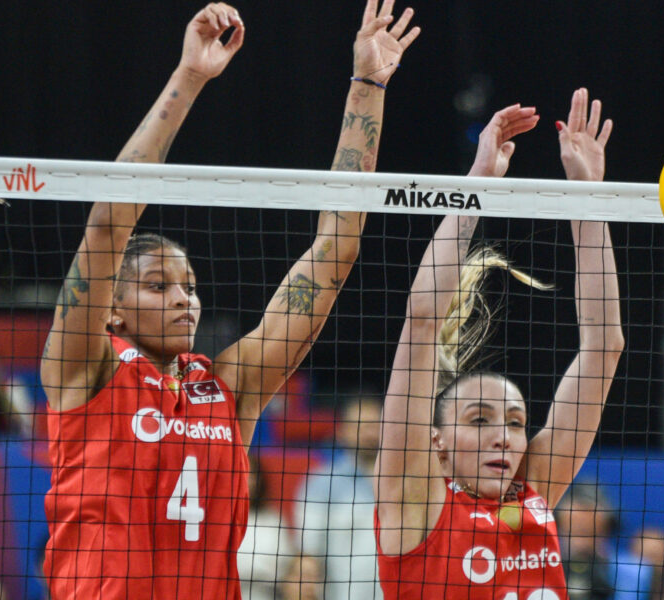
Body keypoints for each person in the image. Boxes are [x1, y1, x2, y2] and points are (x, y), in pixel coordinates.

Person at [39, 2, 419, 599]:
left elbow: (334, 253)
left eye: (190, 287)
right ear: (112, 308)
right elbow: (108, 221)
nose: (183, 301)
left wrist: (367, 87)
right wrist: (190, 76)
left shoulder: (227, 388)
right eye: (158, 286)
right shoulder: (82, 369)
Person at [374, 89, 624, 599]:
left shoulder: (531, 492)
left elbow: (604, 346)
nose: (504, 437)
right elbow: (422, 321)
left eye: (514, 422)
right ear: (437, 443)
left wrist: (588, 196)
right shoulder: (413, 501)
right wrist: (478, 185)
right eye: (479, 420)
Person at [295, 392, 384, 600]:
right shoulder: (320, 485)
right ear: (342, 432)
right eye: (361, 426)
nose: (370, 434)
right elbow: (308, 552)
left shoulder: (406, 482)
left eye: (375, 426)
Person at [555, 483, 651, 600]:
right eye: (575, 529)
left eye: (589, 531)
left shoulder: (635, 572)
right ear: (559, 523)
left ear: (607, 526)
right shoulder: (541, 565)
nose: (583, 518)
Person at [237, 457, 300, 600]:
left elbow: (285, 564)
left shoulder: (274, 520)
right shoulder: (219, 520)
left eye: (251, 475)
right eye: (242, 474)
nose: (247, 481)